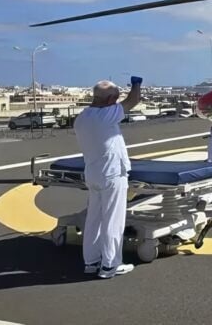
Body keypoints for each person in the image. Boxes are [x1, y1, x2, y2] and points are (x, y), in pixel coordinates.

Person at [74, 76, 142, 279]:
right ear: (109, 99)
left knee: (94, 219)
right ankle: (111, 265)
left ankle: (91, 261)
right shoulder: (107, 115)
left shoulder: (82, 118)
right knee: (113, 219)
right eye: (115, 97)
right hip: (111, 174)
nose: (116, 101)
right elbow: (133, 101)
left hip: (93, 173)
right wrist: (136, 83)